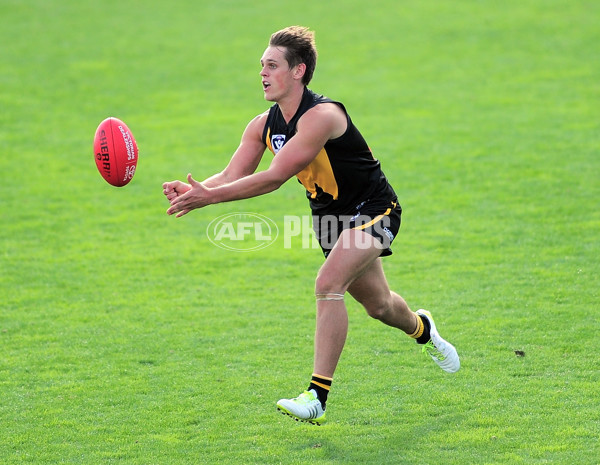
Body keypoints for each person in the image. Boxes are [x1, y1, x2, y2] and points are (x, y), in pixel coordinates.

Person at [163, 26, 460, 425]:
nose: (263, 73)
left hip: (373, 207)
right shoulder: (261, 125)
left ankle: (317, 396)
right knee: (380, 305)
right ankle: (424, 330)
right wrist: (197, 189)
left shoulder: (323, 116)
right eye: (261, 65)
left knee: (327, 284)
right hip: (330, 220)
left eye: (273, 65)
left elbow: (274, 177)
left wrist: (211, 198)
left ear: (299, 71)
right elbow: (234, 172)